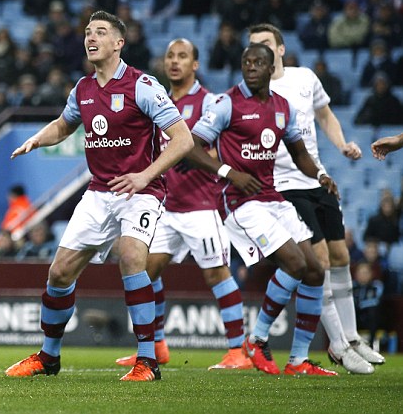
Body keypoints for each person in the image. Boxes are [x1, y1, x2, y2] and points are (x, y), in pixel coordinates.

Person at [4, 11, 193, 382]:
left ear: (119, 43)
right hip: (99, 192)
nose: (91, 38)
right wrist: (37, 139)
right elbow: (64, 124)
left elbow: (183, 139)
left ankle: (147, 362)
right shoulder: (83, 89)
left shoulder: (144, 86)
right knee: (59, 272)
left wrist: (144, 176)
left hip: (142, 192)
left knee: (130, 257)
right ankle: (49, 356)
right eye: (88, 32)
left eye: (101, 32)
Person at [187, 43, 338, 377]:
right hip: (238, 200)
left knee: (315, 271)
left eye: (258, 62)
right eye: (246, 61)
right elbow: (190, 148)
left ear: (272, 69)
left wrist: (321, 174)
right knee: (296, 263)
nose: (251, 66)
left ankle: (298, 360)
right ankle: (255, 339)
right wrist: (230, 173)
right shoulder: (225, 103)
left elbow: (299, 154)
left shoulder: (283, 108)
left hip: (272, 197)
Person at [249, 22, 382, 371]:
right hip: (284, 186)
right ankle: (337, 345)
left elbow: (324, 114)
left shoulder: (305, 77)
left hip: (316, 179)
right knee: (318, 262)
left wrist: (342, 145)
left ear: (279, 49)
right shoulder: (250, 92)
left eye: (263, 44)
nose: (256, 53)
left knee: (340, 257)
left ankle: (352, 338)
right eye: (251, 47)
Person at [114, 38, 251, 372]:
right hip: (165, 205)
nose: (174, 62)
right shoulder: (155, 101)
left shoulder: (210, 102)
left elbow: (224, 151)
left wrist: (213, 162)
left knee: (217, 273)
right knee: (146, 270)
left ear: (195, 64)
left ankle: (238, 352)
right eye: (170, 56)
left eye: (183, 56)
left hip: (201, 205)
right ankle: (156, 345)